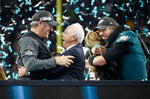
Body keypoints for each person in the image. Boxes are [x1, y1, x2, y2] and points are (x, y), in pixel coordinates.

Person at [16, 10, 74, 80]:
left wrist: (27, 72)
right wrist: (55, 61)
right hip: (29, 87)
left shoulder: (37, 40)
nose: (52, 29)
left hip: (36, 87)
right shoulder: (28, 40)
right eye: (50, 25)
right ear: (40, 23)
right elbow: (30, 64)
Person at [18, 23, 85, 80]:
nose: (62, 35)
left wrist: (27, 73)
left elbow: (51, 71)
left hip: (67, 91)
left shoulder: (73, 52)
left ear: (73, 37)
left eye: (65, 33)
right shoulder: (76, 50)